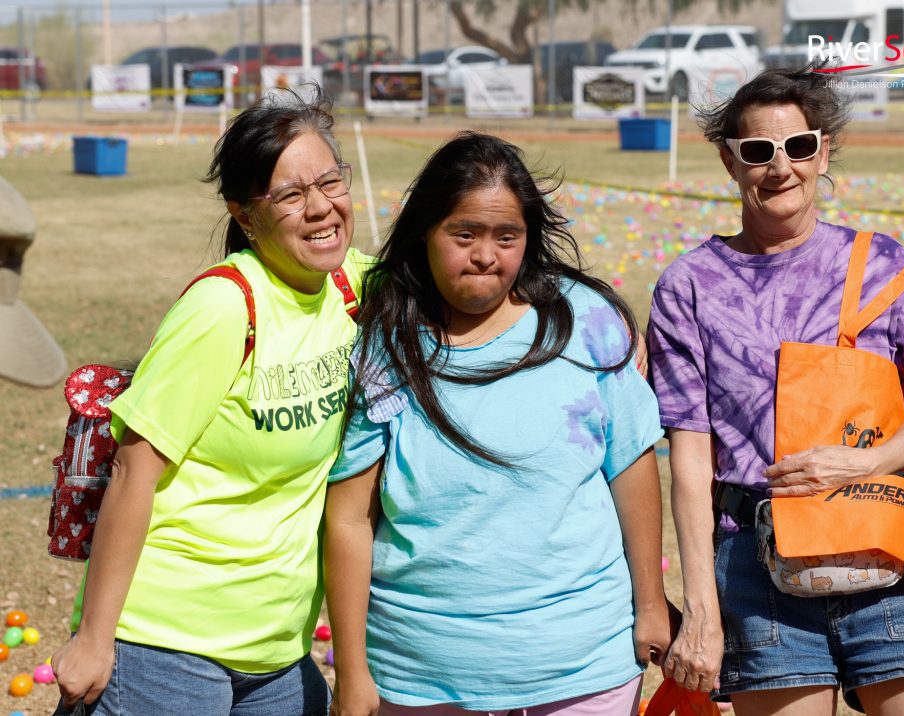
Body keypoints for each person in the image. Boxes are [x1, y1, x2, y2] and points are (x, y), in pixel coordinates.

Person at [647, 66, 904, 715]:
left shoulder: (885, 264)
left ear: (823, 150)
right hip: (756, 563)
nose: (780, 167)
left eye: (798, 147)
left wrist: (863, 462)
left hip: (894, 548)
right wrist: (703, 615)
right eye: (758, 151)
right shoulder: (688, 286)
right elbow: (691, 463)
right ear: (728, 159)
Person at [325, 131, 670, 716]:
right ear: (425, 233)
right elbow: (351, 518)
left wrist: (652, 603)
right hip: (419, 672)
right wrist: (354, 672)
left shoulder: (585, 321)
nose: (486, 255)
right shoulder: (387, 341)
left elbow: (631, 466)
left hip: (582, 664)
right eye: (465, 234)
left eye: (506, 237)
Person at [51, 88, 371, 715]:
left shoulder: (352, 285)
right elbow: (133, 469)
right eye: (289, 194)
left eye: (330, 183)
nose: (320, 208)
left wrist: (613, 326)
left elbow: (468, 275)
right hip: (164, 643)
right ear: (245, 215)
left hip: (277, 649)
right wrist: (93, 638)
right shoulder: (224, 307)